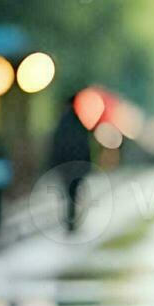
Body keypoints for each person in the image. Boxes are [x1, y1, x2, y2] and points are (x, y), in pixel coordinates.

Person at [48, 93, 94, 232]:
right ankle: (71, 217)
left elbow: (56, 144)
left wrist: (54, 163)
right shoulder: (79, 122)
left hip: (65, 164)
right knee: (73, 192)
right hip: (77, 165)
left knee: (68, 192)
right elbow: (85, 145)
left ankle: (70, 218)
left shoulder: (61, 122)